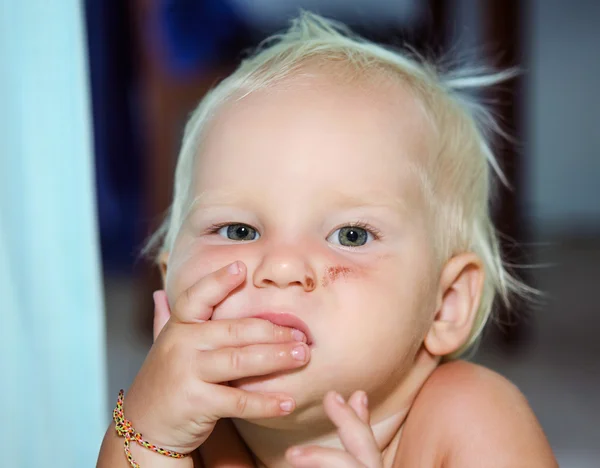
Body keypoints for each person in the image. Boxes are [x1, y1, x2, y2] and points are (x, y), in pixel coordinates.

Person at [98, 11, 557, 467]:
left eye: (351, 235)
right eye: (239, 231)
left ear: (445, 303)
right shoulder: (182, 426)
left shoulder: (471, 419)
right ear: (171, 277)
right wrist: (149, 437)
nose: (281, 267)